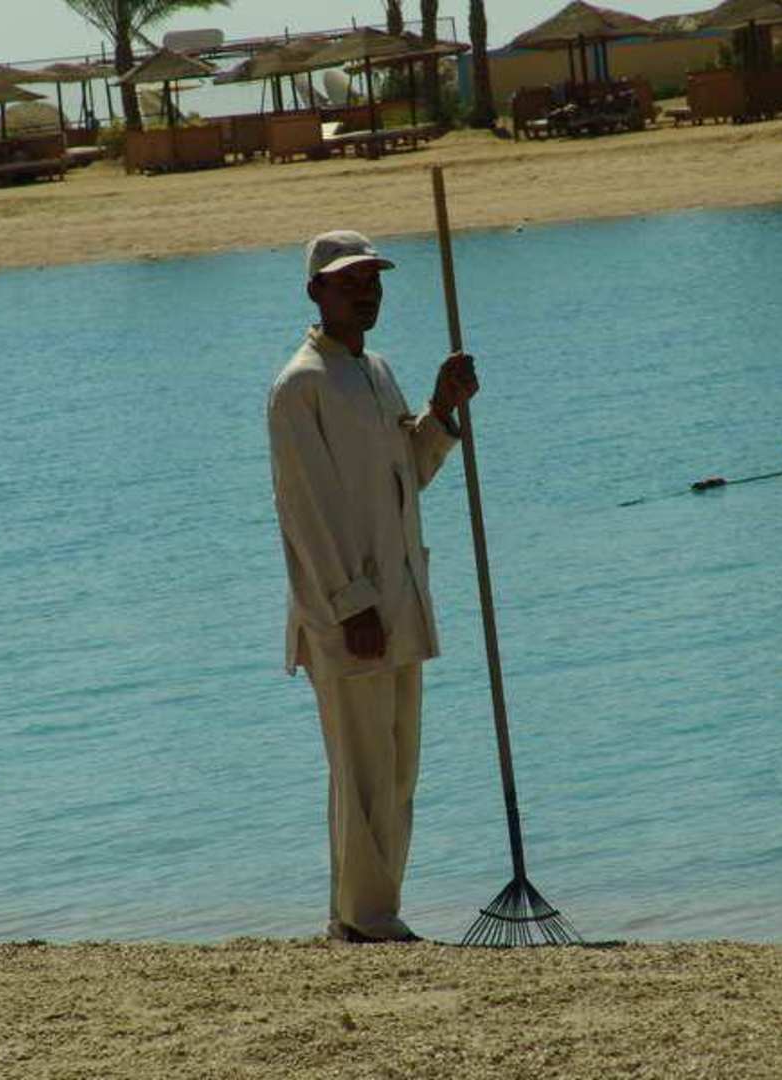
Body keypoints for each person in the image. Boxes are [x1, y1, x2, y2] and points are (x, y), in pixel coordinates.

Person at [267, 229, 478, 944]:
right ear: (316, 292)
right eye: (350, 282)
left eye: (373, 281)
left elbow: (408, 474)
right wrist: (351, 603)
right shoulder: (300, 386)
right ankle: (366, 917)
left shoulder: (378, 372)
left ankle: (362, 912)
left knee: (396, 767)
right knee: (361, 769)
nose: (366, 292)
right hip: (347, 610)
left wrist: (441, 409)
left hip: (401, 598)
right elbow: (305, 510)